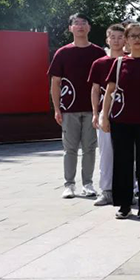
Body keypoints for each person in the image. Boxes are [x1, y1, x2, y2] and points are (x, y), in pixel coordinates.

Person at [100, 22, 140, 219]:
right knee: (122, 163)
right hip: (121, 120)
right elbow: (109, 92)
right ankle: (124, 205)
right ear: (126, 40)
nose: (136, 39)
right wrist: (104, 116)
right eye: (132, 36)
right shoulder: (119, 63)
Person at [48, 13, 107, 199]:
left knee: (90, 148)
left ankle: (88, 184)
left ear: (89, 27)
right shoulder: (62, 53)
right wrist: (57, 109)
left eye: (83, 23)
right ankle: (69, 184)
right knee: (70, 149)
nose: (80, 26)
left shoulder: (98, 52)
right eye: (76, 23)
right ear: (70, 28)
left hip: (93, 109)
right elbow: (55, 83)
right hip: (69, 109)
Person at [87, 24, 126, 206]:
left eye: (120, 37)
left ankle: (128, 190)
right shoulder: (99, 63)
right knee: (106, 153)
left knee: (128, 154)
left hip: (127, 112)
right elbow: (95, 90)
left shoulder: (130, 61)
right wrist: (96, 113)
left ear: (125, 39)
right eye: (113, 37)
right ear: (107, 40)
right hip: (106, 114)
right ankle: (106, 190)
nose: (116, 40)